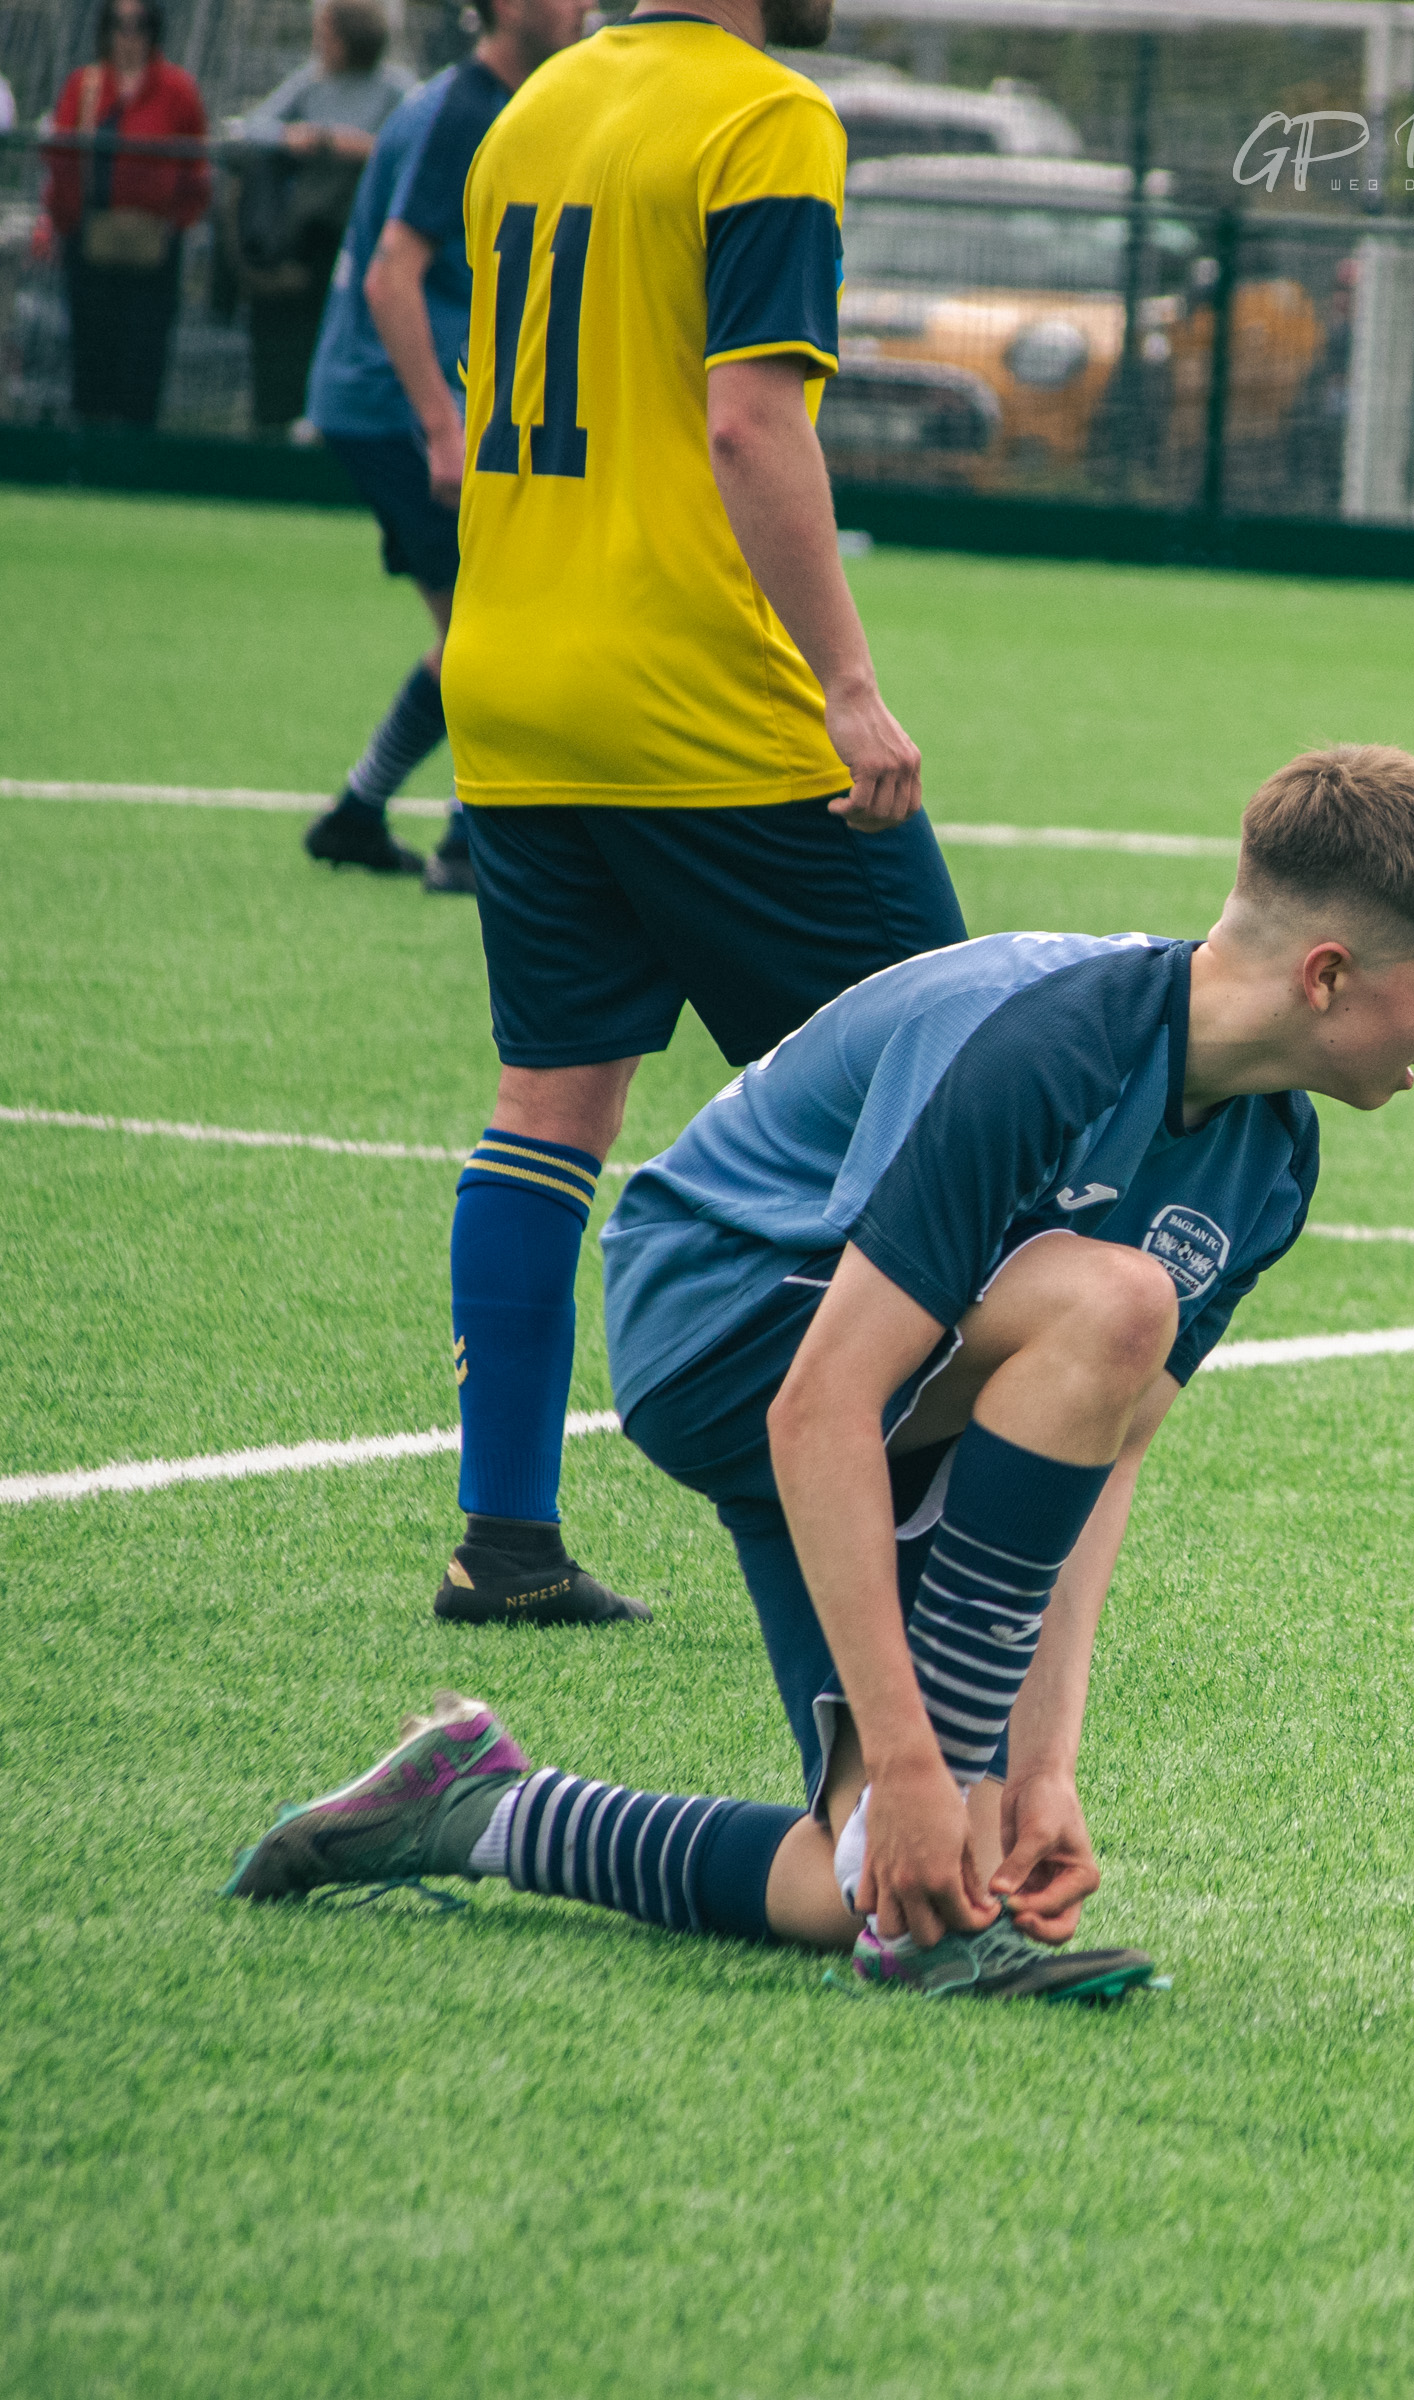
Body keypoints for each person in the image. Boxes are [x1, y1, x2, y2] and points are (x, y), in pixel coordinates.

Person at [229, 748, 1414, 2000]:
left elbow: (1108, 1451)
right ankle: (924, 1793)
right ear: (1329, 973)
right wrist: (920, 1759)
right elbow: (824, 1402)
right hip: (727, 1323)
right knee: (1117, 1298)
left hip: (893, 1390)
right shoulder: (1045, 1045)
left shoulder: (1272, 1165)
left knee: (875, 1881)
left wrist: (1039, 1772)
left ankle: (473, 1806)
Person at [423, 0, 974, 1629]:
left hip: (514, 682)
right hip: (704, 711)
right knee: (966, 1108)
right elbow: (748, 417)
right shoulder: (765, 116)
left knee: (549, 1106)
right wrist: (850, 685)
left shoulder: (533, 109)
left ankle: (503, 1541)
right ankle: (914, 1535)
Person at [297, 0, 591, 886]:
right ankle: (461, 835)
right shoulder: (470, 110)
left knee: (482, 622)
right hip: (395, 400)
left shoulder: (475, 101)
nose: (583, 5)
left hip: (389, 397)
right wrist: (441, 424)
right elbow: (394, 275)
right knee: (492, 625)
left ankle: (364, 813)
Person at [228, 0, 411, 431]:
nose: (319, 44)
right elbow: (249, 128)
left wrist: (358, 146)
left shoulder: (394, 89)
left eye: (327, 35)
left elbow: (412, 142)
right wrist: (296, 137)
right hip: (305, 237)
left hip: (361, 238)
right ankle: (278, 423)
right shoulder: (310, 85)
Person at [41, 0, 210, 429]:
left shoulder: (177, 90)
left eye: (139, 26)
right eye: (119, 25)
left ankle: (134, 454)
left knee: (144, 352)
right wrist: (63, 221)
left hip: (154, 247)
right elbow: (61, 159)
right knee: (92, 347)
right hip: (92, 241)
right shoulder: (87, 85)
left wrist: (177, 222)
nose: (129, 36)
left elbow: (197, 170)